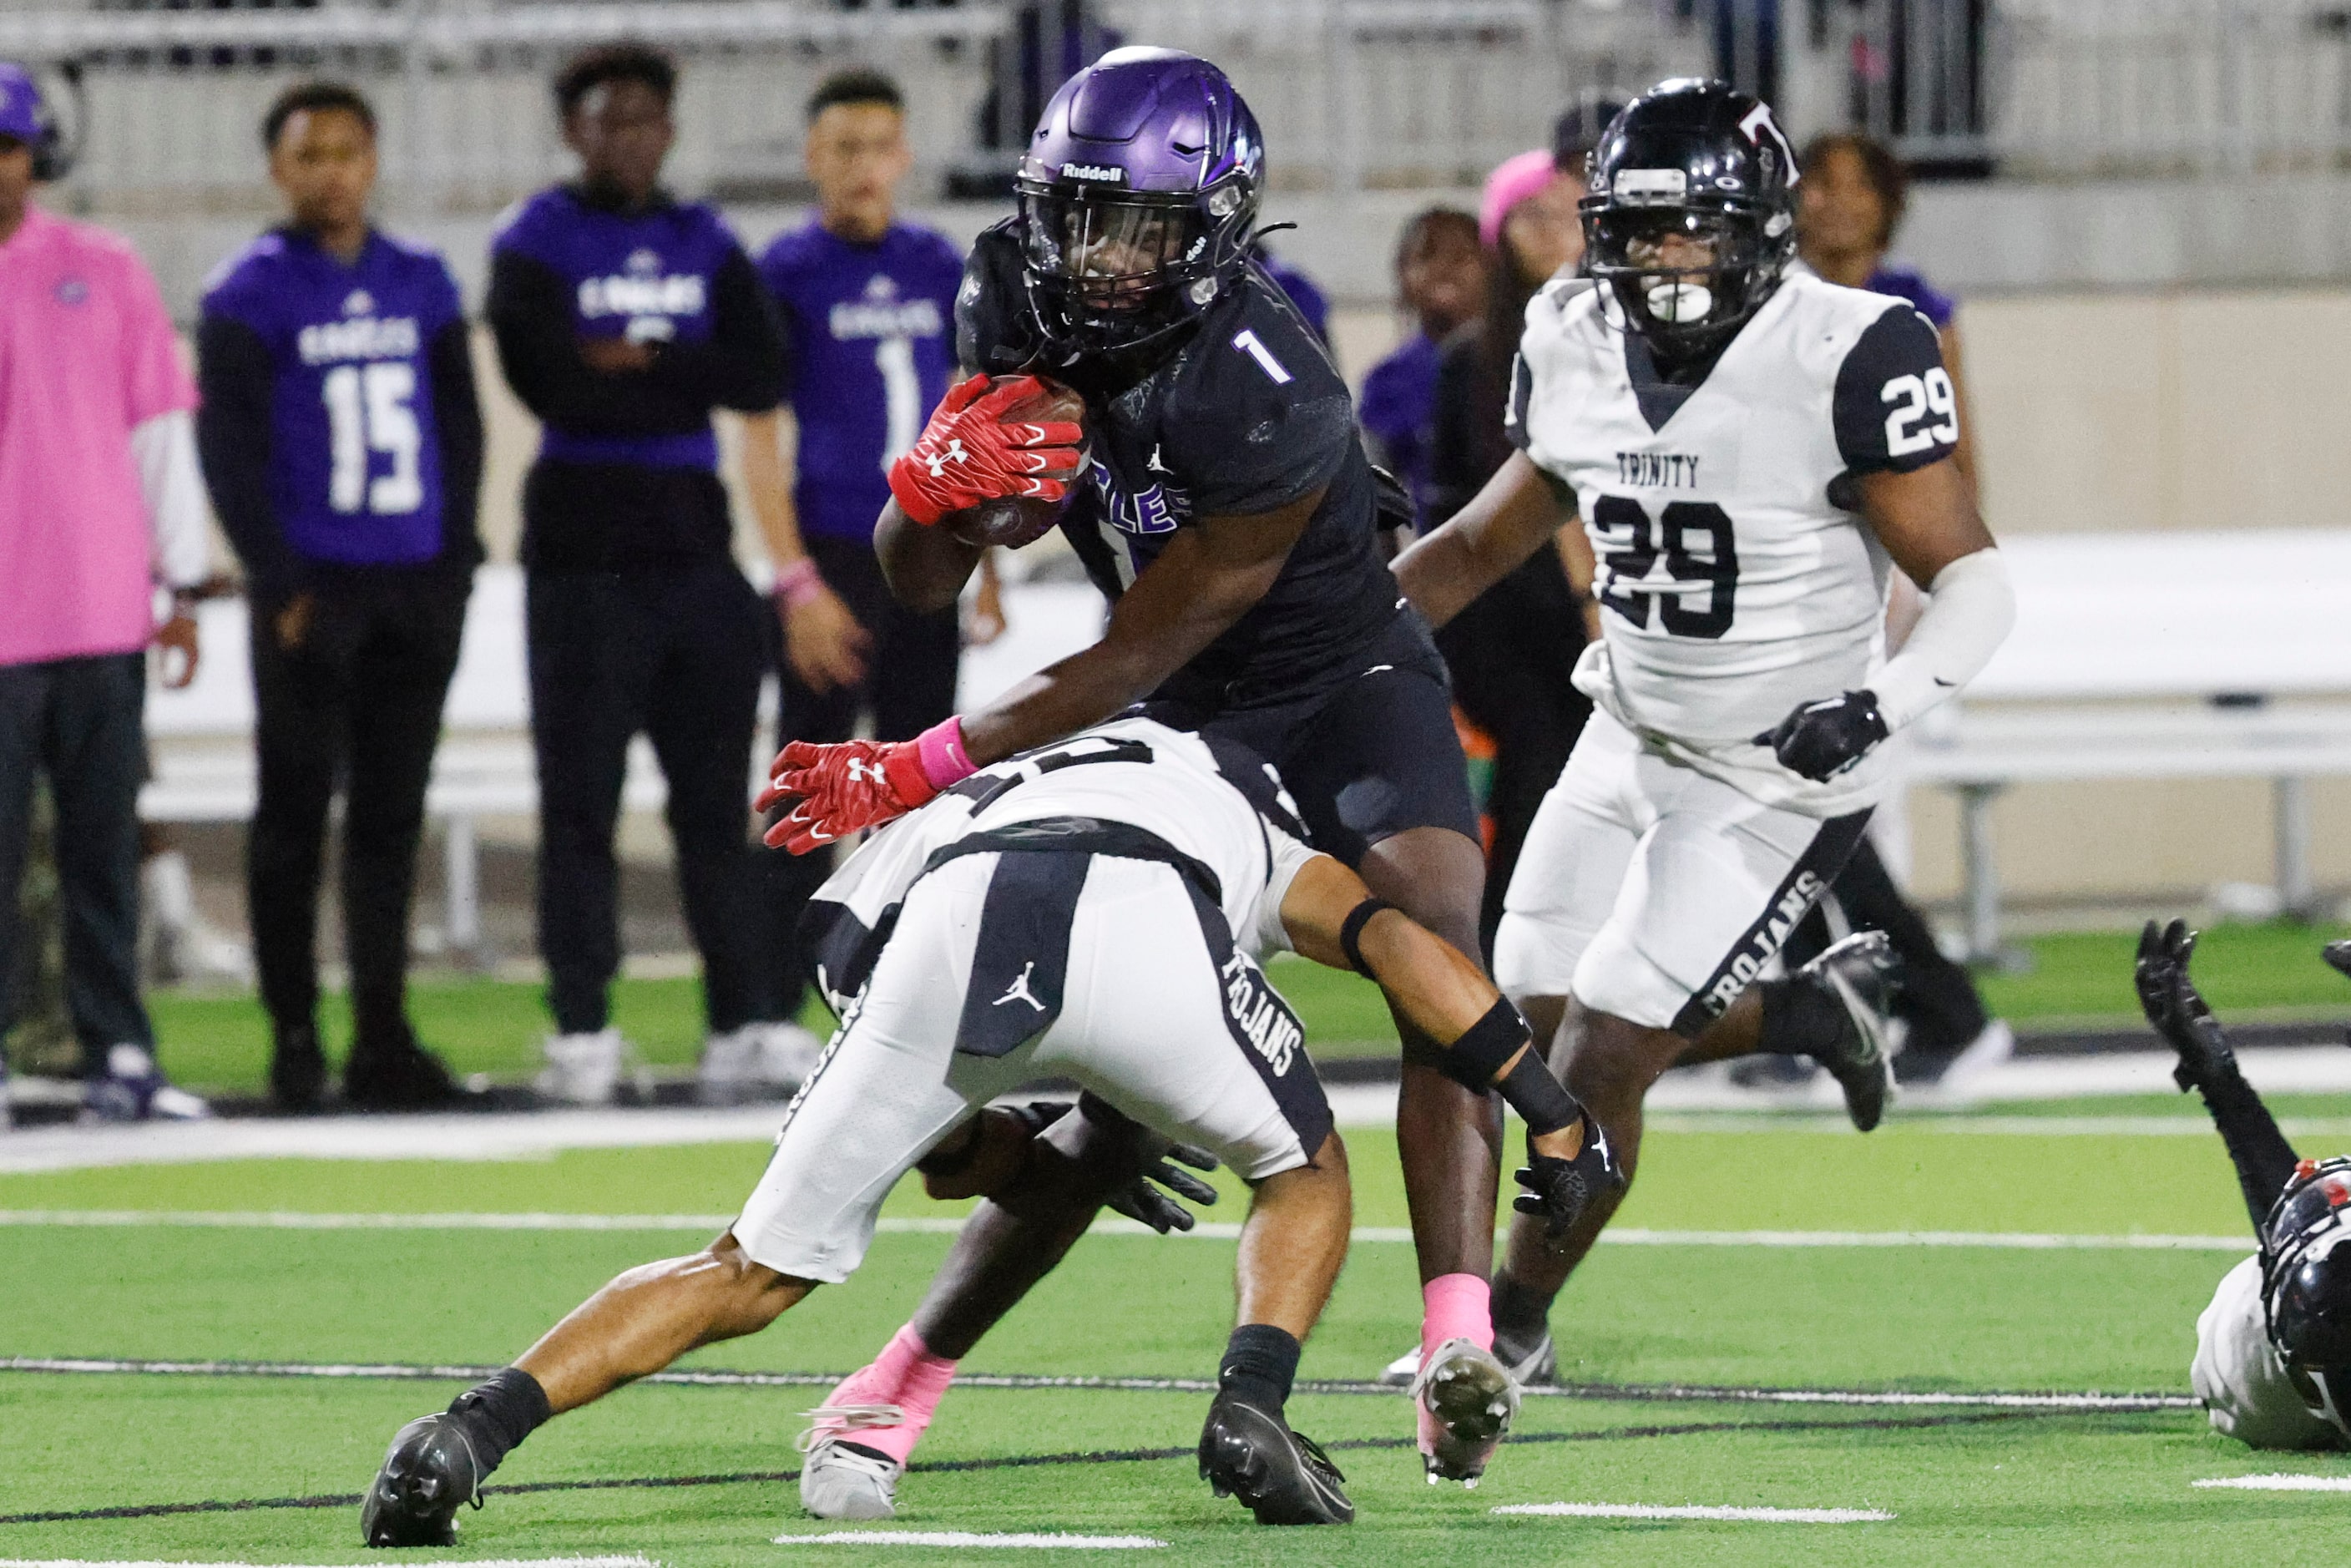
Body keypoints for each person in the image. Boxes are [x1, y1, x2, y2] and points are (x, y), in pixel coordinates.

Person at [766, 47, 1529, 1493]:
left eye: (1144, 227)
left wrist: (915, 765)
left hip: (1325, 684)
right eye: (1083, 217)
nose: (1105, 260)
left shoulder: (1266, 375)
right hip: (1181, 710)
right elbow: (917, 583)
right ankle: (895, 1380)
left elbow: (1135, 647)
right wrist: (929, 493)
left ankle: (1455, 1338)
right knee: (1122, 1069)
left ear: (1218, 226)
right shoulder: (1003, 293)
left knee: (1437, 931)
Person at [357, 716, 1617, 1542]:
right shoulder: (1230, 795)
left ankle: (467, 1431)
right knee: (1304, 1169)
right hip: (1145, 910)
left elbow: (943, 1150)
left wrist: (1033, 1154)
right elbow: (1402, 946)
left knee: (744, 1267)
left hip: (945, 929)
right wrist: (1551, 1115)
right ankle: (1251, 1402)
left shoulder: (927, 817)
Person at [1390, 78, 2016, 1383]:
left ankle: (1506, 1325)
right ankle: (1801, 1009)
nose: (1668, 259)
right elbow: (1484, 536)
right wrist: (1331, 640)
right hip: (1626, 728)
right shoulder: (1567, 332)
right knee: (1523, 1021)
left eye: (1698, 227)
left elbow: (1979, 582)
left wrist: (1881, 701)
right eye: (1642, 229)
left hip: (1769, 771)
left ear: (1762, 229)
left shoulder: (1852, 347)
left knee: (1604, 1044)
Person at [485, 42, 795, 1105]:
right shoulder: (534, 238)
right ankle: (582, 1032)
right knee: (579, 804)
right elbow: (549, 386)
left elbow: (761, 370)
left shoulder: (704, 236)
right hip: (581, 550)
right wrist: (665, 371)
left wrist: (641, 359)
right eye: (609, 120)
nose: (631, 139)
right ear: (573, 130)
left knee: (714, 807)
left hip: (693, 546)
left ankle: (742, 1024)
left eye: (648, 120)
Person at [197, 81, 485, 1112]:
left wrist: (453, 561)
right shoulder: (248, 291)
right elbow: (227, 452)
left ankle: (382, 1038)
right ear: (279, 169)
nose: (329, 172)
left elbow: (460, 428)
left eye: (346, 152)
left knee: (389, 821)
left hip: (412, 582)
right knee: (293, 816)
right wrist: (276, 575)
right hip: (312, 593)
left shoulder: (420, 278)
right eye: (308, 154)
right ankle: (292, 1041)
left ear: (372, 161)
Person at [745, 68, 991, 1070]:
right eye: (839, 148)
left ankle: (899, 995)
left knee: (921, 780)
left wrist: (988, 563)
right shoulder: (787, 271)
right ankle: (768, 1008)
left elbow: (967, 414)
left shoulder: (937, 263)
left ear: (904, 156)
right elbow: (759, 438)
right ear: (812, 159)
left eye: (876, 146)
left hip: (925, 552)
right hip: (835, 553)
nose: (860, 167)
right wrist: (793, 581)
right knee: (807, 781)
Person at [0, 60, 212, 1123]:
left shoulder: (104, 268)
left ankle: (120, 1052)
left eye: (5, 145)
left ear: (36, 153)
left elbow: (158, 430)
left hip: (94, 609)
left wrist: (179, 580)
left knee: (102, 853)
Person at [1782, 125, 2010, 1091]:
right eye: (1814, 185)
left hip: (1875, 575)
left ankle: (1910, 1007)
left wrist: (1930, 587)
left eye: (1850, 185)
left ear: (1886, 201)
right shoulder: (1775, 297)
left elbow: (1954, 457)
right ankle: (1819, 1016)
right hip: (1793, 576)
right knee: (1790, 801)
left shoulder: (1912, 310)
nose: (1830, 203)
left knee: (1824, 809)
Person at [1427, 148, 1598, 958]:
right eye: (1533, 216)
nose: (1555, 233)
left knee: (1569, 769)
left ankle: (1546, 951)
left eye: (1570, 214)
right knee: (1535, 757)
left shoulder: (1604, 337)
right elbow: (1526, 498)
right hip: (1500, 611)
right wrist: (1590, 603)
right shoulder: (1478, 355)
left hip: (1570, 607)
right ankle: (1499, 953)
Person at [2136, 920, 2351, 1450]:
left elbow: (2294, 1233)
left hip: (2263, 1334)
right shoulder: (2296, 1357)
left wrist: (2217, 1077)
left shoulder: (2251, 1353)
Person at [1357, 205, 1482, 530]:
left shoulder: (1523, 358)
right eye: (1426, 257)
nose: (1443, 270)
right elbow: (1373, 503)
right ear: (1401, 274)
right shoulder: (1388, 381)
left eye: (1461, 258)